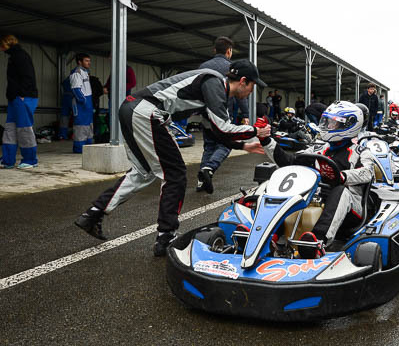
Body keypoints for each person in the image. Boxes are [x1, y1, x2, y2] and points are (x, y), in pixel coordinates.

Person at [73, 59, 271, 256]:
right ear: (244, 81)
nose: (252, 92)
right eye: (253, 86)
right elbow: (223, 128)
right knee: (175, 174)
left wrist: (244, 145)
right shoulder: (215, 82)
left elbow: (215, 130)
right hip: (147, 112)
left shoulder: (215, 89)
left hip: (132, 109)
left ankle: (92, 215)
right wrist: (255, 130)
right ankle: (166, 236)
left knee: (143, 173)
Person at [258, 101, 374, 258]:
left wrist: (343, 176)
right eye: (327, 121)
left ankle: (317, 242)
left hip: (351, 208)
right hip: (317, 197)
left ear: (349, 125)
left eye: (333, 123)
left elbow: (368, 173)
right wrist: (266, 140)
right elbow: (288, 161)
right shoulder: (318, 148)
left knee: (340, 191)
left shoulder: (361, 152)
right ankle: (269, 237)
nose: (328, 126)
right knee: (289, 186)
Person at [196, 36, 249, 193]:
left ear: (214, 50)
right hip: (222, 113)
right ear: (229, 51)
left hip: (205, 113)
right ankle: (209, 169)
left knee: (209, 147)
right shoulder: (232, 68)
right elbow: (240, 93)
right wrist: (245, 114)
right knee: (226, 144)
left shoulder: (203, 66)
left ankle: (201, 181)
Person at [0, 35, 38, 169]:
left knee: (24, 129)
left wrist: (22, 94)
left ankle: (30, 159)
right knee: (10, 129)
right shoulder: (13, 56)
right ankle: (7, 160)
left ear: (6, 44)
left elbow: (28, 76)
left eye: (2, 45)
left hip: (23, 97)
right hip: (15, 98)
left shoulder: (20, 56)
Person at [69, 53, 94, 153]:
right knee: (80, 126)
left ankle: (88, 148)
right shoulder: (77, 73)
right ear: (80, 62)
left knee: (88, 125)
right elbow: (76, 89)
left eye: (89, 60)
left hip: (88, 103)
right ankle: (79, 149)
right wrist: (83, 101)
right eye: (86, 61)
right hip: (81, 104)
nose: (89, 63)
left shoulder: (85, 72)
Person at [59, 74, 74, 140]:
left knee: (64, 118)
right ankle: (74, 135)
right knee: (77, 117)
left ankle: (62, 135)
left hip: (65, 98)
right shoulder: (77, 78)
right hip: (73, 98)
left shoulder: (66, 81)